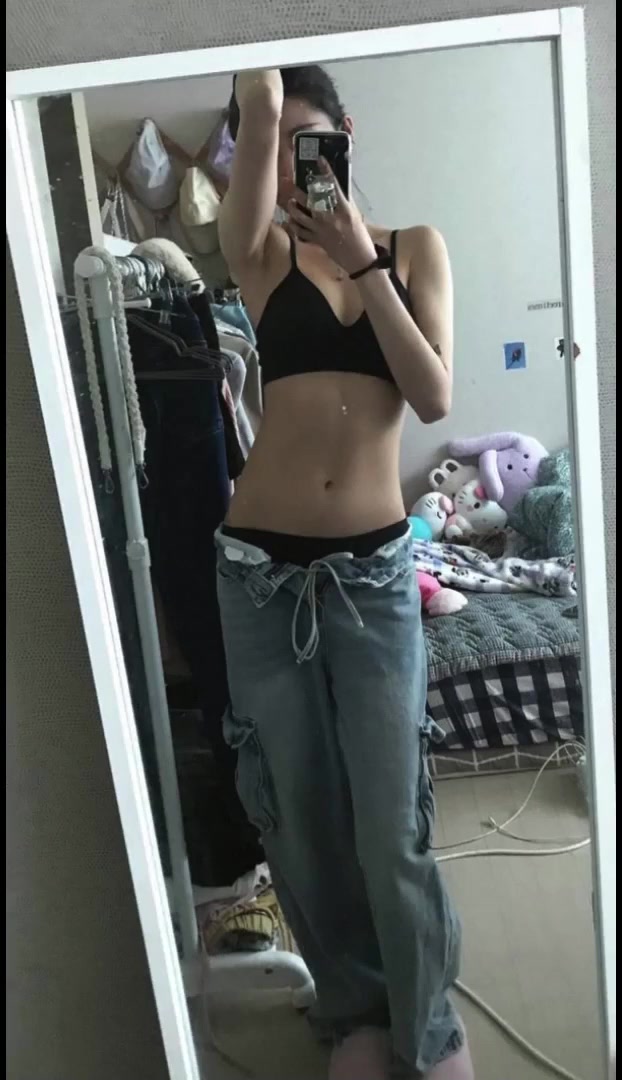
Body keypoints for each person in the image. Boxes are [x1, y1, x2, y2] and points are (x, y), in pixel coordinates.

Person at [216, 65, 474, 1080]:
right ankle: (354, 1014)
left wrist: (362, 258)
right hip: (258, 573)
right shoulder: (259, 253)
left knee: (391, 821)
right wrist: (260, 107)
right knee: (300, 818)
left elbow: (433, 395)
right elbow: (256, 123)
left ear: (346, 135)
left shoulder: (414, 247)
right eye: (272, 148)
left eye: (308, 143)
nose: (291, 168)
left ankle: (428, 1027)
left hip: (370, 574)